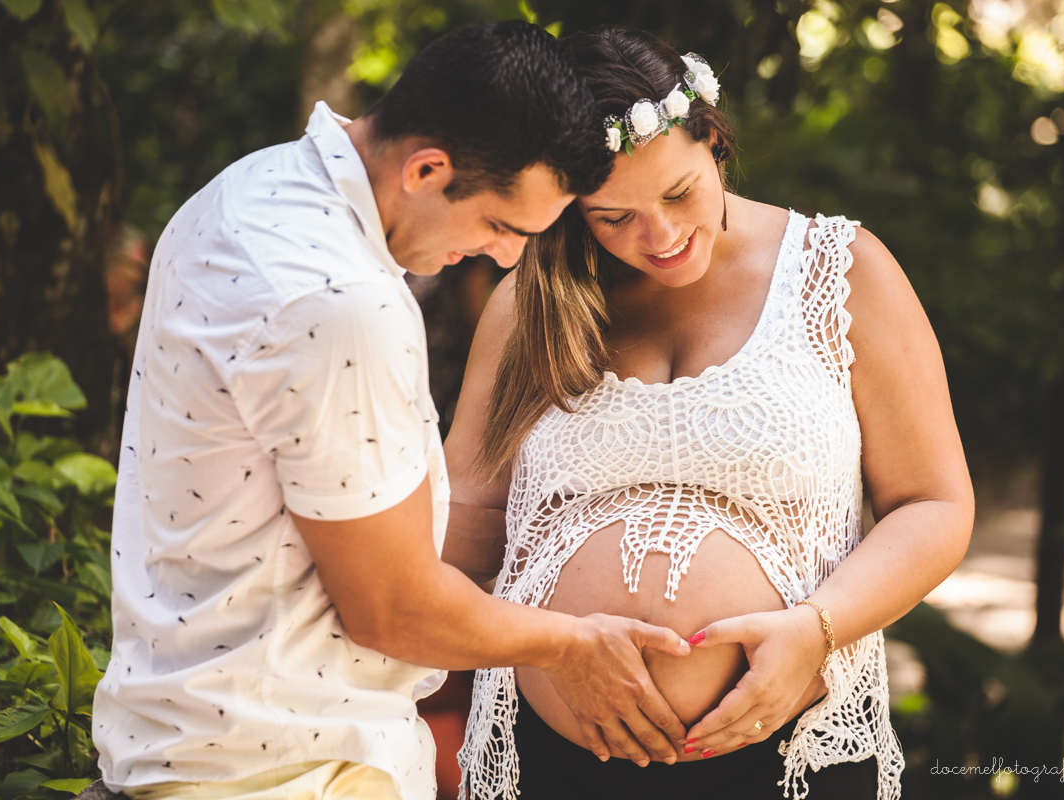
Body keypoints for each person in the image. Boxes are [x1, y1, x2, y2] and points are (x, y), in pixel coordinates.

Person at [93, 22, 696, 800]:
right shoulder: (344, 308)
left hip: (190, 746)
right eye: (500, 226)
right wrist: (573, 645)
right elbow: (394, 609)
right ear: (428, 169)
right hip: (284, 773)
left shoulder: (246, 190)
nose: (507, 257)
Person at [443, 27, 975, 800]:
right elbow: (466, 518)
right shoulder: (535, 302)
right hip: (556, 761)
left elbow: (934, 503)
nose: (657, 236)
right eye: (612, 217)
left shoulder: (840, 271)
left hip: (789, 749)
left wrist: (814, 629)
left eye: (678, 193)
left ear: (714, 142)